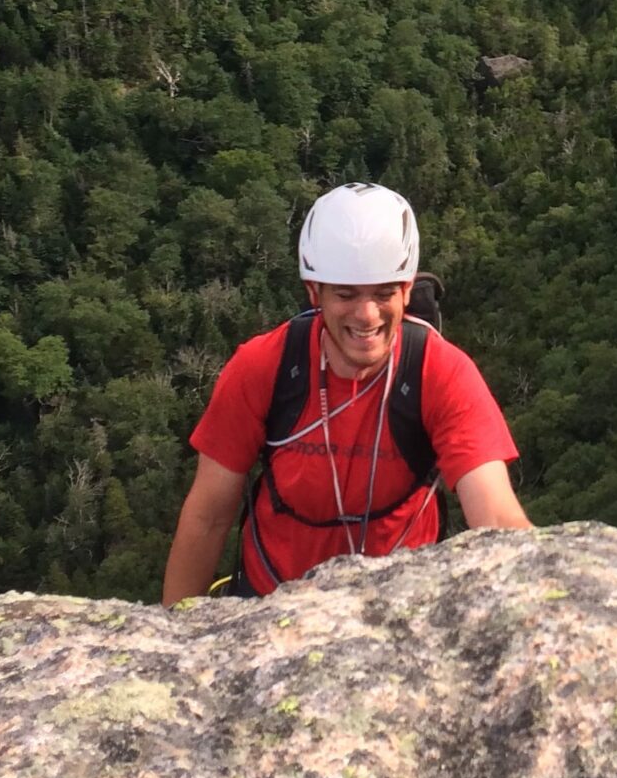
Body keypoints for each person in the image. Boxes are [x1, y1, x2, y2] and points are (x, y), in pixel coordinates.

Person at [162, 182, 529, 603]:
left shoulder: (439, 373)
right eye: (347, 295)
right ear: (314, 292)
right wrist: (172, 629)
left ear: (408, 290)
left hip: (398, 608)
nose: (367, 314)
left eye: (384, 292)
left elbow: (495, 514)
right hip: (270, 608)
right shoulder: (266, 367)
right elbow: (208, 516)